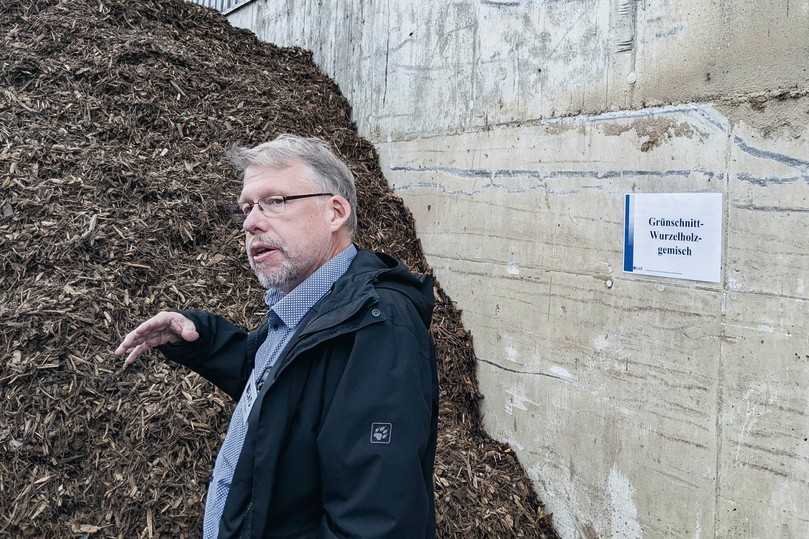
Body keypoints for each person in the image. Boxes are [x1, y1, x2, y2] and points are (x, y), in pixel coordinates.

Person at [114, 135, 438, 538]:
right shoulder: (312, 305)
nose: (251, 222)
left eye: (275, 201)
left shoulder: (375, 326)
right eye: (247, 208)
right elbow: (289, 386)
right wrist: (203, 339)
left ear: (334, 212)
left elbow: (374, 525)